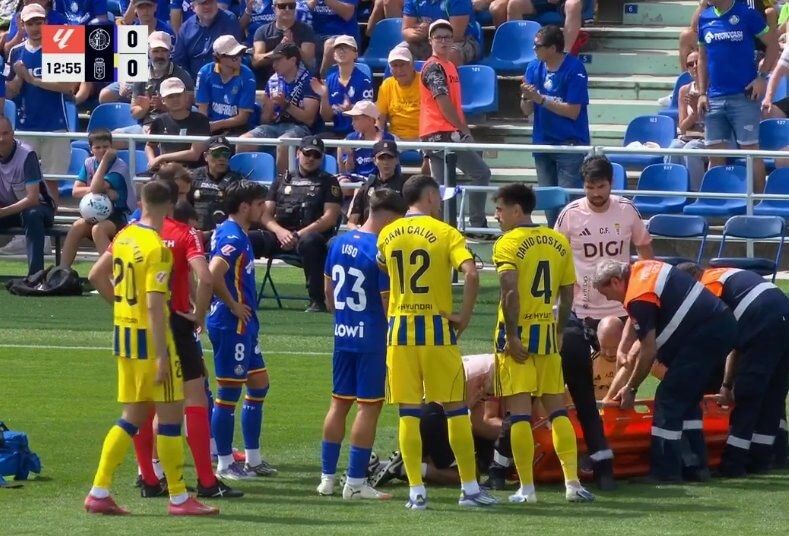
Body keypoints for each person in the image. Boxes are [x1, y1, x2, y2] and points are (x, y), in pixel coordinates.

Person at [84, 180, 218, 516]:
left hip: (125, 339)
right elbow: (156, 306)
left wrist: (122, 307)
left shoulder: (125, 236)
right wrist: (161, 355)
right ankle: (179, 498)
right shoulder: (157, 249)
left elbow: (95, 275)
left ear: (141, 202)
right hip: (152, 342)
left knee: (132, 417)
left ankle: (99, 490)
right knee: (170, 421)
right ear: (170, 206)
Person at [376, 174, 496, 509]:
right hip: (436, 331)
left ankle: (416, 492)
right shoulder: (446, 233)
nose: (441, 201)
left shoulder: (388, 233)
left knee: (408, 413)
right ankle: (469, 489)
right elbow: (472, 273)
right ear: (429, 197)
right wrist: (464, 316)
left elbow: (383, 266)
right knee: (455, 409)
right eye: (438, 196)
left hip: (399, 333)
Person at [130, 175, 243, 500]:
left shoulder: (131, 233)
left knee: (144, 403)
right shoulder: (184, 233)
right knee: (194, 400)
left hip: (138, 324)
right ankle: (206, 481)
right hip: (175, 322)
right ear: (173, 201)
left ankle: (148, 476)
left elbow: (99, 273)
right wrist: (199, 314)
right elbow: (205, 277)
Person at [551, 155, 652, 489]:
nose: (595, 193)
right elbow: (555, 257)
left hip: (618, 309)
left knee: (621, 370)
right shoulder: (570, 214)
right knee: (578, 380)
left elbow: (644, 247)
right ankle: (585, 442)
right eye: (590, 187)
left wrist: (647, 286)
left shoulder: (627, 210)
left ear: (611, 184)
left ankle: (613, 440)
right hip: (581, 311)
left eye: (601, 186)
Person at [490, 183, 594, 504]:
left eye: (500, 209)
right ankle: (572, 483)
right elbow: (567, 292)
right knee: (558, 411)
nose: (496, 215)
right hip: (547, 335)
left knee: (520, 414)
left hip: (518, 338)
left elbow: (510, 290)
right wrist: (560, 330)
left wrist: (512, 335)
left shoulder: (507, 243)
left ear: (516, 210)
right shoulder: (558, 240)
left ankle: (527, 489)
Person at [593, 259, 737, 483]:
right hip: (717, 327)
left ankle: (666, 471)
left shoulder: (639, 295)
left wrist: (631, 388)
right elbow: (636, 320)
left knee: (668, 398)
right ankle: (696, 466)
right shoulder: (641, 270)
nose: (609, 299)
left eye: (607, 294)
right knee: (687, 400)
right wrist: (624, 347)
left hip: (704, 335)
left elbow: (648, 350)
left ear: (615, 281)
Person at [318, 189, 408, 500]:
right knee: (368, 408)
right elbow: (385, 302)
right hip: (371, 337)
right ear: (391, 218)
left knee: (338, 404)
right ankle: (355, 483)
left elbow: (328, 291)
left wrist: (342, 318)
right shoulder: (380, 250)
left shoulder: (338, 241)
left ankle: (327, 479)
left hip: (343, 333)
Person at [676, 262, 789, 478]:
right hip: (782, 314)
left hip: (763, 318)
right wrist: (727, 384)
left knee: (748, 393)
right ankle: (763, 458)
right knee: (773, 393)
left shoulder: (708, 285)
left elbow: (719, 335)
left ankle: (734, 462)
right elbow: (736, 345)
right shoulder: (729, 278)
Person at [208, 179, 278, 480]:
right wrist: (233, 304)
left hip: (245, 325)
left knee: (259, 384)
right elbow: (212, 274)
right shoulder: (233, 237)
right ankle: (225, 463)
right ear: (244, 206)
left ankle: (253, 459)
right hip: (231, 324)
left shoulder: (236, 232)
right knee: (228, 394)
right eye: (260, 204)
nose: (264, 209)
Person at [249, 136, 343, 312]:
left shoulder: (329, 182)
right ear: (298, 153)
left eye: (316, 155)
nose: (311, 158)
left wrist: (297, 235)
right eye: (307, 153)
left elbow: (330, 218)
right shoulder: (281, 180)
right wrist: (280, 232)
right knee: (248, 239)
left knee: (311, 241)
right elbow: (265, 215)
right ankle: (243, 293)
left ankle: (317, 300)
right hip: (280, 236)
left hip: (309, 238)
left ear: (321, 158)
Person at [697, 0, 778, 192]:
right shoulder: (705, 17)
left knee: (751, 153)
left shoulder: (747, 13)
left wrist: (761, 77)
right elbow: (702, 57)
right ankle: (719, 202)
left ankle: (758, 203)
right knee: (715, 155)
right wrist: (701, 93)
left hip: (744, 96)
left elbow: (773, 45)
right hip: (714, 98)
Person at [419, 19, 491, 231]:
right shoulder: (434, 67)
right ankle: (477, 225)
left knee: (443, 187)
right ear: (430, 40)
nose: (443, 41)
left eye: (448, 37)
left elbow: (454, 105)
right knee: (481, 173)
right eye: (439, 37)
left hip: (439, 132)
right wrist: (464, 129)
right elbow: (443, 102)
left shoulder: (449, 65)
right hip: (442, 133)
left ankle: (441, 229)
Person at [6, 3, 78, 207]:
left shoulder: (60, 46)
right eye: (30, 23)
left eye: (39, 22)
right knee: (22, 181)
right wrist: (19, 78)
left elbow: (68, 86)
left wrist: (32, 79)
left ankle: (50, 221)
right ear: (22, 25)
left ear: (46, 22)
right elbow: (10, 91)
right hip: (25, 125)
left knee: (51, 181)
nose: (35, 27)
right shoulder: (15, 52)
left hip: (55, 123)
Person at [520, 25, 590, 227]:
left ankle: (568, 241)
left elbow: (573, 111)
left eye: (538, 46)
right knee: (548, 203)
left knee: (568, 203)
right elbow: (526, 110)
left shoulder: (574, 68)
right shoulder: (533, 67)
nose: (534, 50)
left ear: (552, 48)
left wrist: (540, 99)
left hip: (569, 144)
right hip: (543, 142)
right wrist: (526, 97)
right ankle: (554, 238)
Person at [59, 130, 135, 270]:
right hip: (96, 214)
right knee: (77, 226)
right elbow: (76, 191)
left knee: (98, 230)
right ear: (91, 149)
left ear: (111, 147)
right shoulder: (88, 162)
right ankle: (62, 270)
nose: (102, 151)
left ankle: (111, 274)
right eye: (97, 147)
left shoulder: (120, 167)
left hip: (119, 217)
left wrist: (104, 162)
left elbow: (95, 187)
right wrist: (102, 191)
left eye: (105, 147)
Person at [240, 42, 319, 174]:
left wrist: (286, 105)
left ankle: (282, 183)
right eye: (273, 60)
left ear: (293, 60)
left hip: (301, 128)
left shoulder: (309, 81)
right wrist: (270, 107)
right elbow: (265, 120)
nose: (274, 65)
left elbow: (309, 119)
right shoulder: (272, 81)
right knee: (243, 141)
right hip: (275, 126)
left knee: (284, 144)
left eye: (278, 60)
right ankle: (244, 183)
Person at [0, 115, 55, 275]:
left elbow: (32, 199)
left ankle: (35, 276)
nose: (1, 139)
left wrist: (3, 212)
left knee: (32, 214)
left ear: (13, 133)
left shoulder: (27, 155)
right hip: (10, 210)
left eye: (5, 133)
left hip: (41, 208)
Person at [100, 0, 177, 105]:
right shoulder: (131, 31)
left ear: (155, 7)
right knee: (105, 96)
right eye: (141, 7)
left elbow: (172, 63)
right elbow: (120, 61)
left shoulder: (166, 31)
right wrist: (123, 82)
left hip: (158, 78)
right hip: (133, 78)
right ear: (135, 9)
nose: (145, 11)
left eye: (148, 6)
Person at [122, 31, 195, 137]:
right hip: (145, 126)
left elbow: (187, 111)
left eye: (164, 51)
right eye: (155, 51)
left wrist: (164, 106)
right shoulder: (140, 74)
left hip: (174, 126)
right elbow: (134, 113)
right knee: (113, 137)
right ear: (148, 52)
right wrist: (144, 108)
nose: (160, 55)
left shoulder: (182, 76)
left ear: (170, 52)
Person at [311, 35, 374, 139]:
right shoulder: (330, 79)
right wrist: (324, 96)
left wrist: (352, 109)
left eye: (346, 48)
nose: (341, 51)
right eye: (338, 49)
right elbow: (326, 117)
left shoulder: (364, 80)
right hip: (338, 132)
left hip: (359, 134)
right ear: (334, 55)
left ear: (355, 54)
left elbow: (369, 114)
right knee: (313, 142)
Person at [195, 35, 256, 136]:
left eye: (240, 53)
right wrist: (205, 128)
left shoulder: (247, 76)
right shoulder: (205, 72)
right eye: (233, 55)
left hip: (237, 129)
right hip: (210, 125)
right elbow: (202, 111)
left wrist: (216, 125)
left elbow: (243, 118)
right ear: (218, 57)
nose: (239, 58)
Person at [146, 77, 211, 171]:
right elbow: (150, 145)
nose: (175, 99)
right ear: (163, 100)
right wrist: (152, 160)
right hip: (166, 171)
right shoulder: (159, 121)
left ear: (185, 95)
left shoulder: (200, 120)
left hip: (193, 171)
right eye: (170, 96)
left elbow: (194, 154)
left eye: (178, 95)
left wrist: (161, 158)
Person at [664, 50, 708, 191]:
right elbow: (683, 127)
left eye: (697, 62)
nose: (694, 66)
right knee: (673, 148)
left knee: (691, 150)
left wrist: (698, 111)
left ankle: (697, 193)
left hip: (708, 138)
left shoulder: (714, 89)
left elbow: (714, 123)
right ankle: (673, 192)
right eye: (690, 64)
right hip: (687, 136)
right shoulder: (684, 90)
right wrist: (694, 113)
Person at [172, 0, 244, 81]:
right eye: (203, 3)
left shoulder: (229, 20)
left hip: (223, 79)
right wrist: (189, 83)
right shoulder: (186, 28)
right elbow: (179, 62)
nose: (207, 6)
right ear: (193, 7)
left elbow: (236, 56)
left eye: (210, 1)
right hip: (193, 81)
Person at [251, 0, 317, 83]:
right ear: (274, 8)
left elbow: (309, 62)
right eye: (282, 6)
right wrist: (279, 50)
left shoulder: (306, 30)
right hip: (268, 80)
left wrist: (292, 46)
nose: (287, 9)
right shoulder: (262, 31)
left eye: (291, 6)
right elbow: (256, 61)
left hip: (298, 82)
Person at [188, 136, 243, 232]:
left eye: (225, 154)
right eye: (216, 154)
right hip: (195, 233)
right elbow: (183, 205)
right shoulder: (194, 176)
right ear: (206, 156)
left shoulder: (237, 181)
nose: (221, 158)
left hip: (223, 234)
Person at [347, 139, 407, 228]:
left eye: (390, 157)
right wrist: (359, 232)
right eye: (381, 158)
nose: (386, 162)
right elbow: (352, 222)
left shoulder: (405, 186)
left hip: (395, 233)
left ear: (397, 160)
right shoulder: (367, 187)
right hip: (370, 234)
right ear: (374, 160)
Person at [402, 0, 480, 66]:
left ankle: (442, 79)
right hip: (425, 39)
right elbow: (406, 30)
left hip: (460, 41)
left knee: (446, 55)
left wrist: (429, 30)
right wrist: (417, 33)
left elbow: (456, 35)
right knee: (401, 53)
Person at [338, 100, 395, 179]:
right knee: (343, 182)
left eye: (356, 119)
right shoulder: (351, 138)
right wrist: (349, 155)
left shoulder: (387, 139)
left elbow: (390, 169)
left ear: (370, 119)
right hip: (356, 179)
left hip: (379, 181)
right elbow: (348, 170)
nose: (352, 123)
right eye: (353, 119)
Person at [376, 46, 421, 144]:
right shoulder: (387, 85)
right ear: (390, 69)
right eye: (395, 66)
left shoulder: (424, 81)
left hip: (423, 136)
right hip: (395, 138)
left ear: (412, 65)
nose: (399, 70)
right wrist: (378, 138)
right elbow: (380, 117)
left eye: (403, 65)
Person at [506, 0, 585, 54]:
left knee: (573, 4)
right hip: (538, 2)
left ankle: (564, 54)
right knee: (514, 4)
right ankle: (519, 54)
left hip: (564, 2)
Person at [304, 0, 361, 75]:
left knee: (331, 45)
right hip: (314, 35)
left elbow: (348, 14)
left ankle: (323, 79)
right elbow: (299, 11)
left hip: (342, 35)